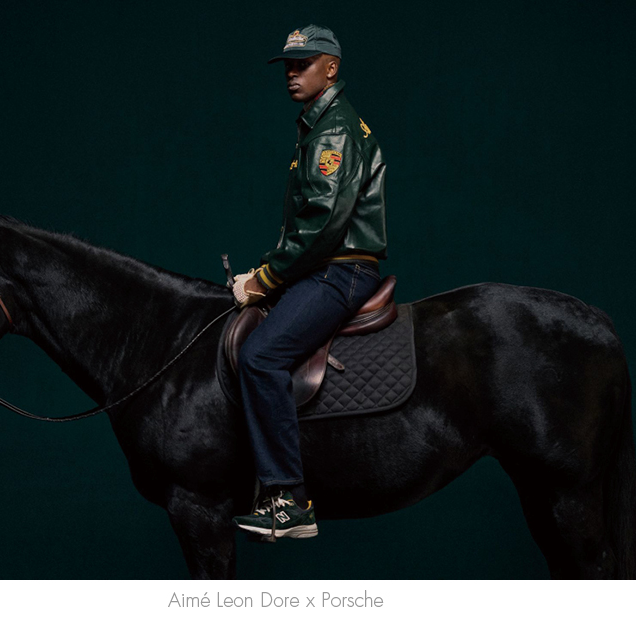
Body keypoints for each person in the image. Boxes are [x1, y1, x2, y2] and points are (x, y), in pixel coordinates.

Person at [231, 24, 387, 539]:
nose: (292, 73)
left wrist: (264, 279)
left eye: (304, 64)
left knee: (260, 357)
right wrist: (268, 270)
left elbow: (321, 226)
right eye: (289, 66)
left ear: (331, 67)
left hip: (339, 270)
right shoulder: (321, 124)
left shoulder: (333, 131)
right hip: (326, 264)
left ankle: (289, 500)